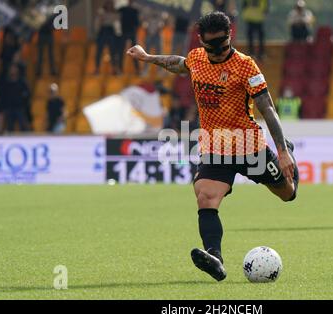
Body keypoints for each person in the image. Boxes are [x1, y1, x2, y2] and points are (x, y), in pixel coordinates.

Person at [127, 12, 299, 281]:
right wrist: (148, 57)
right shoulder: (196, 58)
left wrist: (283, 151)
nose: (218, 52)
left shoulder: (246, 66)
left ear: (230, 36)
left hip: (249, 146)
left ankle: (290, 166)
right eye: (212, 47)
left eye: (223, 45)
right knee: (205, 197)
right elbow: (177, 63)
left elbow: (267, 108)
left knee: (287, 194)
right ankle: (215, 259)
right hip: (215, 147)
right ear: (201, 42)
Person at [0, 64, 31, 132]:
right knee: (10, 126)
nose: (13, 70)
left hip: (19, 107)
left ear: (17, 70)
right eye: (11, 68)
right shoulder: (6, 82)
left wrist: (23, 101)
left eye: (14, 68)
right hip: (9, 107)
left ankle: (27, 140)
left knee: (23, 125)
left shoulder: (22, 81)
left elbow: (27, 93)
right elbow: (2, 93)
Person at [95, 0, 121, 75]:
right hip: (103, 32)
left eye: (111, 4)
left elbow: (117, 24)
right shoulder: (101, 12)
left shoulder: (115, 13)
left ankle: (114, 69)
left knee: (113, 52)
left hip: (111, 32)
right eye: (108, 3)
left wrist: (118, 34)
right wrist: (97, 32)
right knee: (99, 52)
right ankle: (97, 69)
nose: (109, 5)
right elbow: (98, 23)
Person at [118, 0, 140, 74]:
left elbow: (137, 23)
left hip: (132, 32)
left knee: (134, 51)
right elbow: (117, 13)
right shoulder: (123, 9)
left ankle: (137, 69)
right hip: (124, 32)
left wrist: (135, 31)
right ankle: (120, 69)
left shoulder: (135, 10)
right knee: (121, 51)